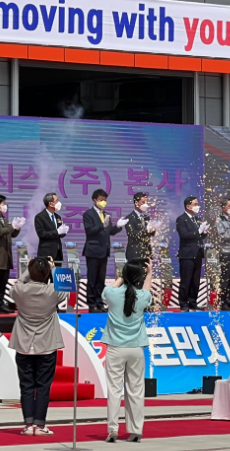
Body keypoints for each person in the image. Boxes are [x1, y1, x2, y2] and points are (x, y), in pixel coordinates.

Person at [9, 256, 67, 437]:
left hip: (24, 345)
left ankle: (28, 425)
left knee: (26, 386)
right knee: (43, 387)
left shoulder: (19, 290)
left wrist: (30, 268)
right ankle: (40, 425)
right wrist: (52, 267)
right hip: (46, 345)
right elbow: (64, 284)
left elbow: (20, 280)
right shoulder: (54, 290)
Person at [102, 259, 153, 443]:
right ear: (139, 277)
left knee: (114, 391)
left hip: (115, 348)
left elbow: (107, 292)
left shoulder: (112, 293)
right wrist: (149, 273)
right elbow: (147, 291)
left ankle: (113, 429)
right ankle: (136, 430)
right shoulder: (143, 296)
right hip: (136, 348)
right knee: (136, 390)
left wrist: (121, 277)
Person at [83, 189, 128, 313]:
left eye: (105, 200)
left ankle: (100, 302)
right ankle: (91, 304)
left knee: (101, 279)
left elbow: (110, 232)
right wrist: (101, 225)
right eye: (101, 200)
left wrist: (118, 226)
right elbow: (89, 231)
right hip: (92, 251)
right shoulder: (88, 214)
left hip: (104, 251)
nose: (103, 202)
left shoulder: (105, 214)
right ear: (94, 200)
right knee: (92, 279)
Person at [0, 194, 25, 314]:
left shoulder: (4, 219)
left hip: (6, 255)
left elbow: (11, 234)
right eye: (3, 204)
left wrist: (17, 228)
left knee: (3, 281)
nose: (5, 206)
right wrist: (12, 227)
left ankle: (0, 303)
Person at [176, 196, 210, 312]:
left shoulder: (197, 219)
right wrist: (198, 231)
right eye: (195, 204)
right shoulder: (181, 219)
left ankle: (193, 302)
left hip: (198, 253)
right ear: (188, 206)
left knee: (196, 280)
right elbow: (184, 235)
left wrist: (204, 232)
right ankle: (184, 303)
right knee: (186, 280)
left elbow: (200, 236)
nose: (197, 206)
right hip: (187, 254)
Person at [34, 193, 68, 265]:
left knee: (57, 275)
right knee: (45, 275)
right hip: (46, 253)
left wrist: (63, 232)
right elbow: (41, 234)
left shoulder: (57, 217)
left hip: (58, 253)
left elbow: (59, 234)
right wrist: (57, 232)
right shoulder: (40, 217)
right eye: (57, 200)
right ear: (50, 203)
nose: (59, 203)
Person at [125, 192, 156, 262]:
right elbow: (132, 234)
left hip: (146, 253)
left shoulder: (146, 218)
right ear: (136, 203)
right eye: (143, 202)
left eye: (146, 202)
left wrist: (153, 230)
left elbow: (149, 236)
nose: (145, 204)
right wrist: (146, 231)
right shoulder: (129, 218)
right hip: (135, 253)